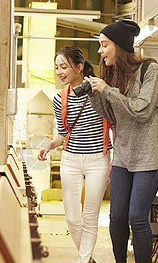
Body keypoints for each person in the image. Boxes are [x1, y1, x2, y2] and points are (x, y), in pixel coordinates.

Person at [85, 20, 158, 263]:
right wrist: (95, 93)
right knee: (116, 217)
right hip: (123, 156)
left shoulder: (150, 71)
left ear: (120, 46)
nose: (100, 51)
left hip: (150, 155)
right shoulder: (113, 74)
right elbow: (113, 116)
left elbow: (141, 111)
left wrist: (107, 90)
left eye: (104, 45)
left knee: (137, 217)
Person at [38, 45, 112, 263]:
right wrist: (49, 146)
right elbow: (62, 134)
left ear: (79, 67)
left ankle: (82, 261)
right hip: (70, 159)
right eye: (57, 68)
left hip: (98, 159)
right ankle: (87, 259)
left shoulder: (99, 92)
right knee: (71, 217)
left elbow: (113, 127)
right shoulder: (59, 98)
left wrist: (112, 160)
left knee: (90, 216)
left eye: (64, 67)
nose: (59, 72)